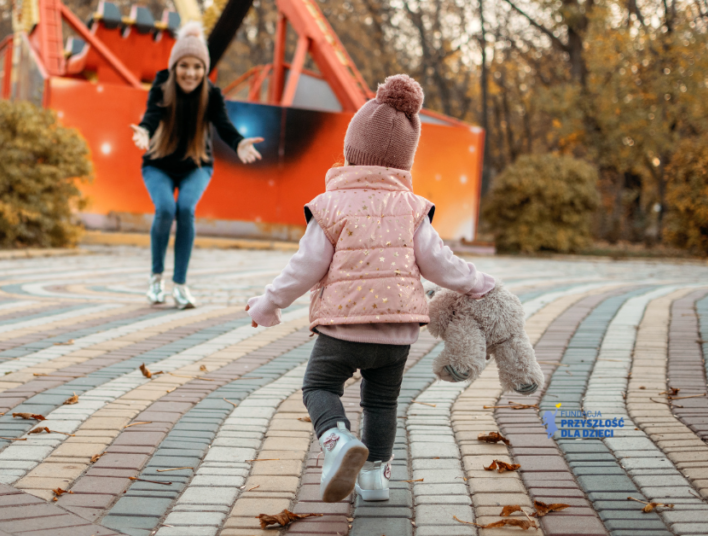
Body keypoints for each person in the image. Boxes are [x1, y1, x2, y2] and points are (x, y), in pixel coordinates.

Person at [245, 74, 495, 503]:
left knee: (318, 389)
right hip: (397, 332)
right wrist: (479, 283)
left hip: (343, 328)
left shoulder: (330, 205)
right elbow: (439, 263)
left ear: (350, 152)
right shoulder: (413, 208)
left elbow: (306, 266)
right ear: (404, 162)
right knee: (381, 404)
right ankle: (375, 478)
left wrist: (269, 303)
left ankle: (336, 440)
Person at [130, 22, 263, 309]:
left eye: (197, 67)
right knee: (165, 209)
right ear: (175, 65)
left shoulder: (211, 94)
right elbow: (152, 114)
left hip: (196, 166)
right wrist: (144, 130)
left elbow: (224, 126)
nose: (190, 73)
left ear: (205, 69)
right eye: (184, 66)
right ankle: (156, 279)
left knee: (185, 209)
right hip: (158, 165)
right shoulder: (162, 84)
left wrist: (239, 143)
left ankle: (180, 285)